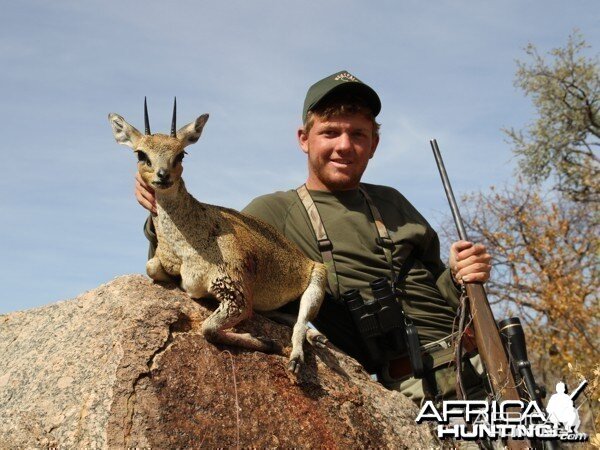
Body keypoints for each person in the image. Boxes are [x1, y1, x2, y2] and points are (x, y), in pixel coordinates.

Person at [135, 70, 492, 405]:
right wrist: (158, 209)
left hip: (482, 367)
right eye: (331, 132)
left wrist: (459, 273)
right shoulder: (273, 212)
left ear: (374, 144)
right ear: (304, 139)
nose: (344, 145)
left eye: (358, 135)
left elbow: (439, 286)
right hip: (415, 387)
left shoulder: (393, 201)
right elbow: (198, 257)